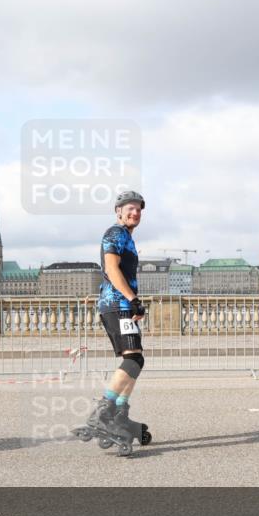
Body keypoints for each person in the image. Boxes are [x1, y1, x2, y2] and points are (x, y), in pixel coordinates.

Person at [74, 190, 152, 456]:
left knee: (136, 359)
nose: (135, 213)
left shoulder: (126, 237)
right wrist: (131, 299)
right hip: (117, 305)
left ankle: (120, 412)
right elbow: (111, 269)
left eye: (139, 209)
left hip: (121, 306)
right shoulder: (115, 234)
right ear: (118, 211)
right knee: (132, 360)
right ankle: (103, 412)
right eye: (130, 208)